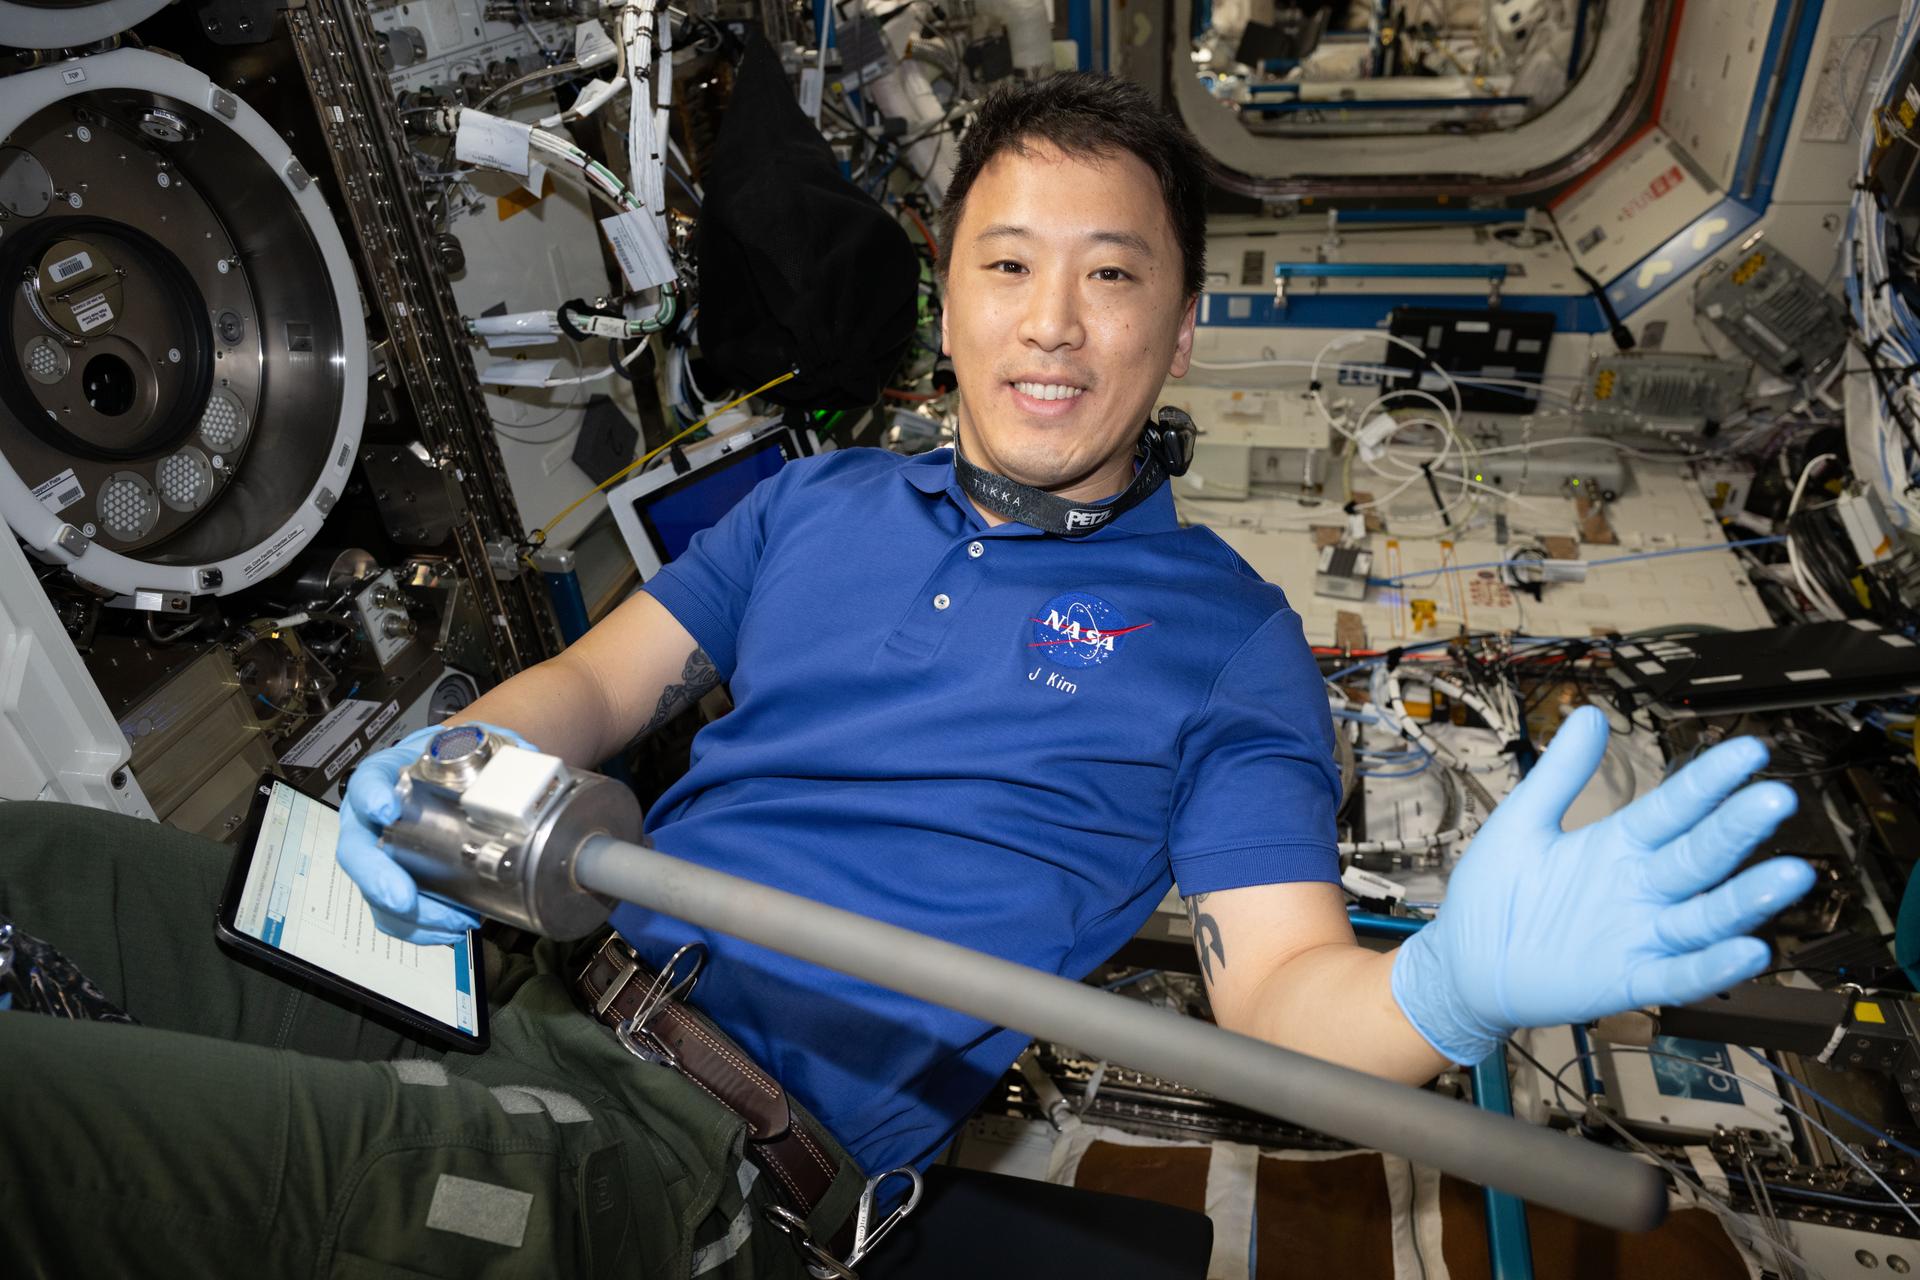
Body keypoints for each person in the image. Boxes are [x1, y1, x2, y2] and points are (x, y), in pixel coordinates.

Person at [0, 72, 1811, 1278]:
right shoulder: (813, 503)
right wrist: (453, 767)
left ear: (1178, 333)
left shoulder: (1231, 641)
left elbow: (1282, 999)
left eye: (1113, 279)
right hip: (511, 957)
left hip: (683, 1139)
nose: (1052, 320)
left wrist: (1453, 1000)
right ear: (944, 297)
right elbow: (605, 690)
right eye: (1007, 264)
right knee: (38, 875)